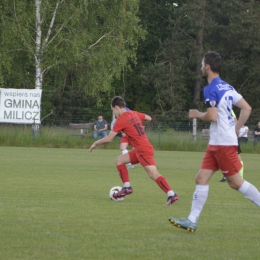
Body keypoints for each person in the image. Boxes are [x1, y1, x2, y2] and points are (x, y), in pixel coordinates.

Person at [169, 51, 260, 232]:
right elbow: (246, 108)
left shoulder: (210, 89)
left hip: (223, 144)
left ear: (208, 67)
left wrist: (197, 114)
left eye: (203, 64)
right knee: (201, 178)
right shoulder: (227, 87)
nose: (202, 67)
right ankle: (191, 220)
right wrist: (237, 127)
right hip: (217, 143)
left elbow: (211, 116)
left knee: (235, 183)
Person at [89, 96, 178, 205]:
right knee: (119, 160)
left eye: (113, 111)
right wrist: (138, 124)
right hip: (141, 149)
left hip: (143, 150)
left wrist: (95, 143)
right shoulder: (133, 113)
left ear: (116, 107)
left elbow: (109, 138)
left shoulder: (120, 120)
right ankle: (127, 187)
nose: (114, 114)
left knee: (153, 174)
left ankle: (171, 194)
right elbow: (148, 118)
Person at [220, 110, 244, 182]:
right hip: (224, 137)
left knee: (236, 156)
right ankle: (226, 175)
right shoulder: (219, 109)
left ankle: (240, 175)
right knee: (224, 156)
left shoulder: (229, 109)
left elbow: (235, 122)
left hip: (231, 137)